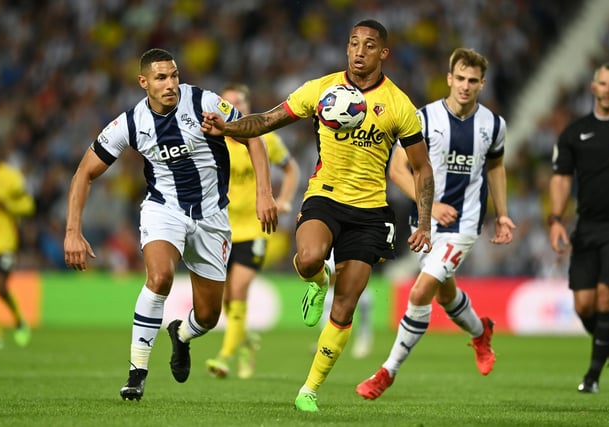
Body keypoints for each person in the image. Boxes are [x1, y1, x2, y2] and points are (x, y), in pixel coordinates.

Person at [201, 19, 435, 413]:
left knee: (345, 304)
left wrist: (424, 220)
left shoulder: (399, 104)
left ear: (383, 53)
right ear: (347, 48)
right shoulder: (320, 89)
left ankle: (309, 388)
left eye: (369, 45)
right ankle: (317, 277)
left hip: (371, 212)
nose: (360, 51)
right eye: (354, 43)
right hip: (324, 196)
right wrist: (228, 128)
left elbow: (422, 168)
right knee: (308, 257)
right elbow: (268, 120)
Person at [63, 48, 278, 401]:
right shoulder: (130, 123)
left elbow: (252, 135)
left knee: (208, 317)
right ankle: (137, 373)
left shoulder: (206, 103)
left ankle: (181, 334)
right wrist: (73, 230)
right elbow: (84, 172)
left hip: (212, 217)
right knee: (159, 277)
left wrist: (264, 193)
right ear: (143, 82)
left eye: (174, 75)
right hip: (165, 210)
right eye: (161, 78)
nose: (170, 84)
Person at [356, 47, 516, 400]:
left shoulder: (493, 125)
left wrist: (502, 213)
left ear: (482, 84)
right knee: (446, 293)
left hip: (464, 223)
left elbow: (496, 168)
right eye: (460, 78)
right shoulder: (423, 118)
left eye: (473, 81)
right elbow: (397, 169)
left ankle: (387, 372)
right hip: (424, 221)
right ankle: (481, 331)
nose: (465, 86)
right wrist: (430, 203)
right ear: (449, 78)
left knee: (420, 291)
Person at [205, 83, 300, 379]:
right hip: (222, 229)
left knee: (238, 289)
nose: (232, 108)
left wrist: (282, 199)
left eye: (238, 103)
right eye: (227, 103)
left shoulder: (264, 139)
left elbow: (291, 169)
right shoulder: (214, 140)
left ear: (246, 108)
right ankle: (246, 343)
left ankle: (224, 356)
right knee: (226, 301)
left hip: (255, 229)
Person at [548, 61, 609, 393]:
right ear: (593, 88)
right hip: (587, 226)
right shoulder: (574, 132)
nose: (608, 90)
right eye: (602, 84)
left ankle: (592, 378)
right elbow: (561, 178)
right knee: (584, 306)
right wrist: (555, 220)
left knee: (608, 299)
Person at [0, 132, 35, 349]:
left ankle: (18, 319)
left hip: (4, 242)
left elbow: (28, 206)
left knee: (1, 287)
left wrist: (8, 206)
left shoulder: (10, 177)